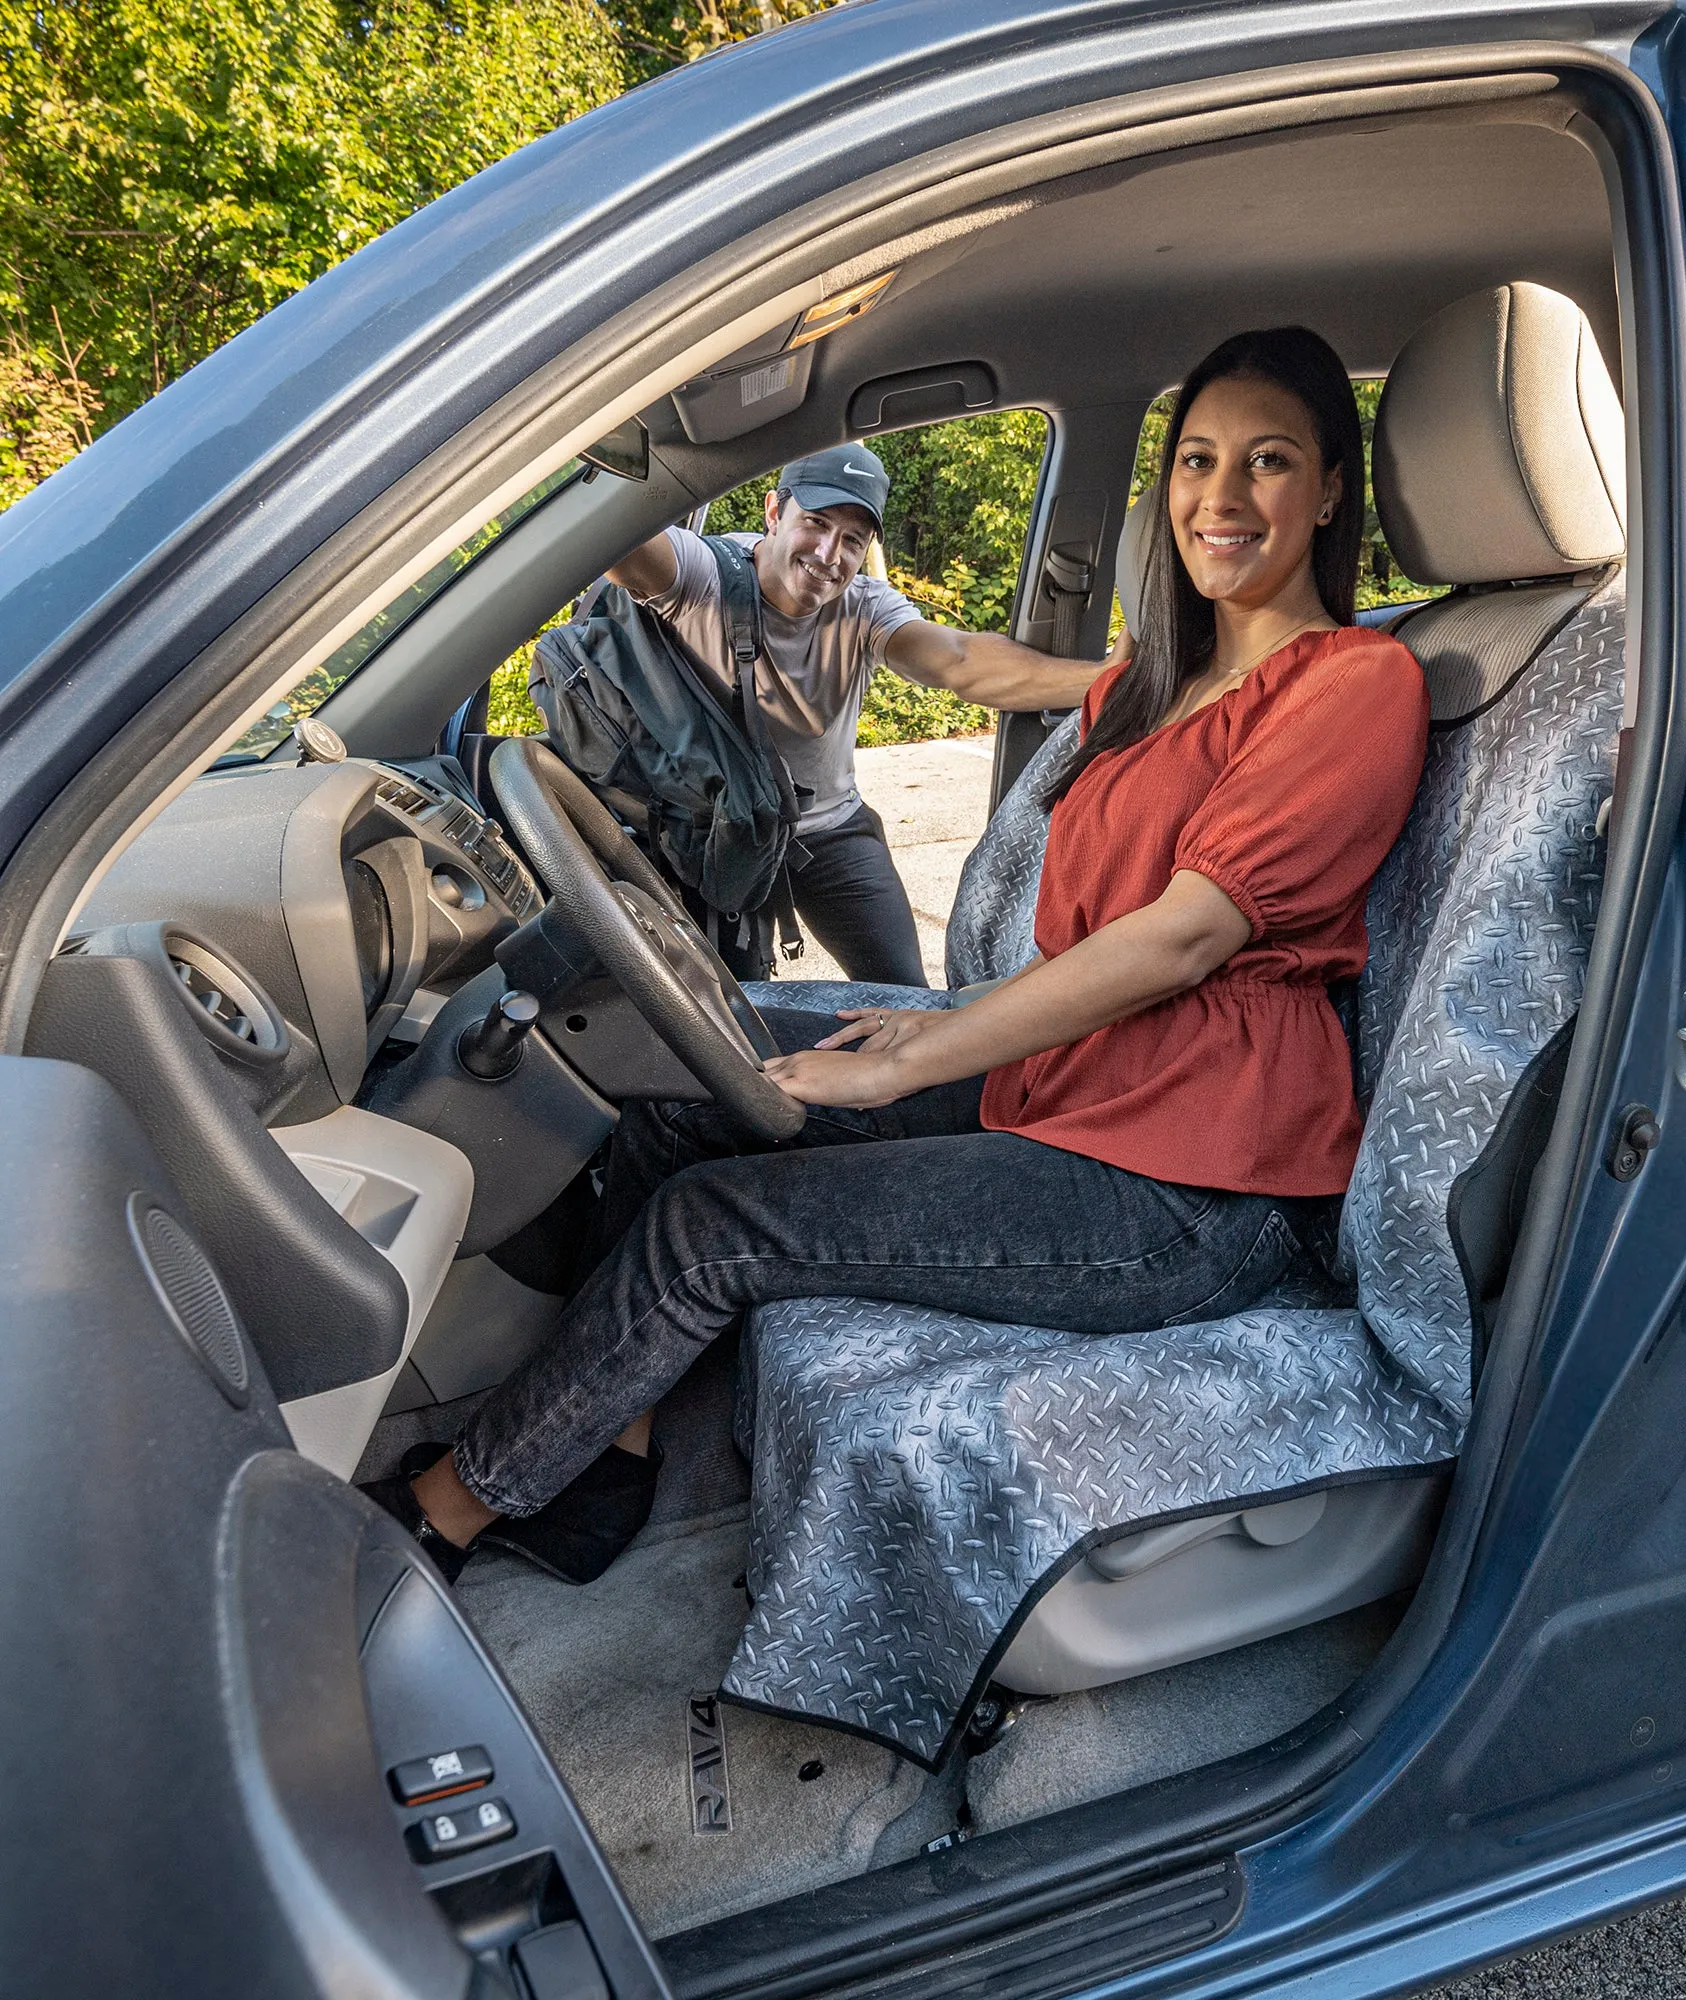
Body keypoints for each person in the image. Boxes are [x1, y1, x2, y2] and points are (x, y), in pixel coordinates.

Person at [367, 326, 1431, 1585]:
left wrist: (916, 1046)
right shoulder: (1148, 688)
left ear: (1324, 494)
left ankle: (448, 1508)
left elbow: (1187, 932)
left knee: (713, 1220)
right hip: (1071, 1086)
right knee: (676, 1090)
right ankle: (606, 1458)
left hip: (1194, 1181)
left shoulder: (1355, 683)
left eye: (1268, 462)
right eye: (1197, 459)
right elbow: (1040, 761)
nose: (1222, 494)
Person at [597, 443, 1103, 985]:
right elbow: (616, 543)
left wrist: (1109, 681)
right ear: (774, 512)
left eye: (853, 540)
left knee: (903, 993)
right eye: (815, 523)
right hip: (715, 831)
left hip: (830, 830)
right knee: (727, 1013)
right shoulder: (703, 574)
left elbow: (959, 660)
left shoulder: (864, 605)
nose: (828, 554)